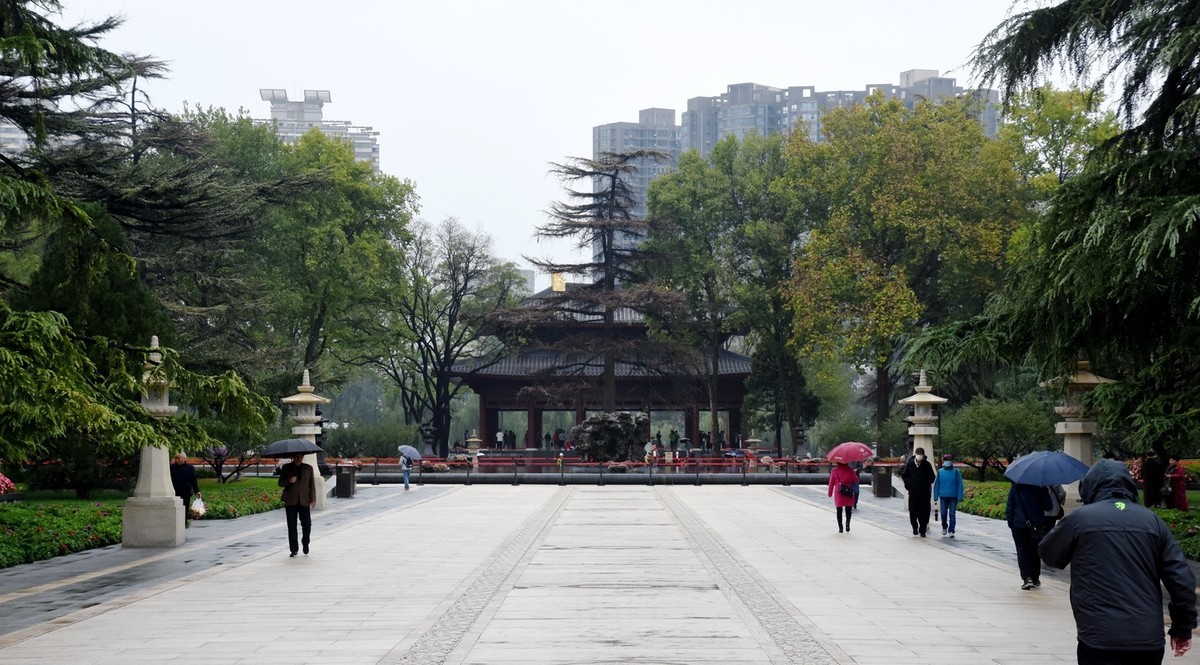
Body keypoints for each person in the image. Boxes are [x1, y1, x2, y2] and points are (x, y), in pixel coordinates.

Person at [1040, 459, 1196, 663]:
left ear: (1089, 485)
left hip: (1099, 636)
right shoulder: (1153, 521)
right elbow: (1181, 580)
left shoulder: (1081, 519)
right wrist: (1183, 628)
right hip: (1147, 639)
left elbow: (1050, 555)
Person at [1006, 481, 1051, 590]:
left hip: (1019, 524)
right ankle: (1035, 577)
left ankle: (1027, 577)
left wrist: (1011, 522)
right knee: (1035, 551)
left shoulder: (1016, 487)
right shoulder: (1041, 487)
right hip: (1037, 525)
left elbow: (1009, 506)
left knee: (1022, 550)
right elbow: (1049, 506)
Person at [277, 453, 316, 557]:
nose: (298, 458)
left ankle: (305, 542)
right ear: (293, 457)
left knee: (307, 524)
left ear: (303, 457)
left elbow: (312, 484)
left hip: (304, 500)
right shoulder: (286, 468)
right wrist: (289, 480)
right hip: (291, 500)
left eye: (300, 457)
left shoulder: (308, 468)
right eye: (297, 456)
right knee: (292, 526)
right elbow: (280, 482)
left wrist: (313, 499)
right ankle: (294, 549)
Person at [901, 447, 935, 536]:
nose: (919, 456)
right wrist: (909, 485)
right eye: (918, 454)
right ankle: (914, 527)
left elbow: (932, 477)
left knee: (924, 513)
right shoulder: (910, 464)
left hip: (924, 494)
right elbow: (904, 475)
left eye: (921, 454)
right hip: (913, 493)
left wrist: (925, 484)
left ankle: (922, 530)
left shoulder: (927, 465)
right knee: (913, 512)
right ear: (915, 454)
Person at [933, 454, 964, 538]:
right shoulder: (940, 472)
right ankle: (944, 526)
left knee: (952, 514)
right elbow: (936, 485)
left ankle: (951, 530)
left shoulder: (956, 472)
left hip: (953, 497)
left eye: (949, 460)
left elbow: (960, 484)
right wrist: (935, 496)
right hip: (943, 496)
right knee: (943, 514)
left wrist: (960, 496)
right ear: (944, 461)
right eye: (946, 460)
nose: (947, 461)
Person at [169, 453, 201, 525]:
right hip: (174, 491)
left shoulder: (190, 468)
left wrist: (197, 491)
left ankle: (183, 523)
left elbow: (193, 480)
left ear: (184, 458)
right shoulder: (172, 467)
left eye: (179, 458)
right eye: (176, 458)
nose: (177, 460)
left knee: (185, 507)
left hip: (185, 491)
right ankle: (174, 523)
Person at [828, 461, 858, 533]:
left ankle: (840, 527)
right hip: (848, 492)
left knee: (839, 510)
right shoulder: (850, 470)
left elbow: (831, 484)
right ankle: (847, 524)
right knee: (848, 509)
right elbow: (855, 480)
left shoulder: (834, 471)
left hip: (839, 492)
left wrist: (830, 493)